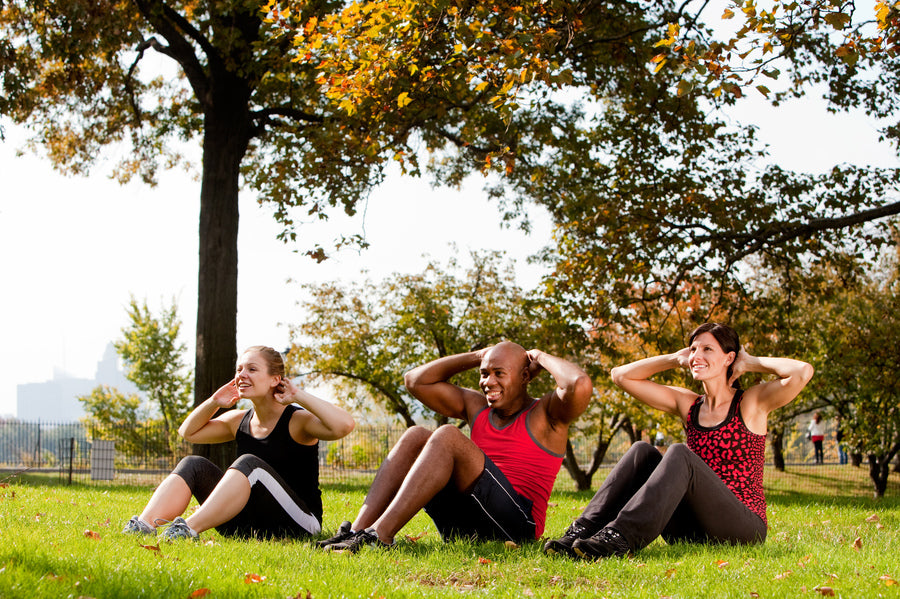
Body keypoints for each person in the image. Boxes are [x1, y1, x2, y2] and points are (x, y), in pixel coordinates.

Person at [543, 323, 814, 560]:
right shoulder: (689, 404)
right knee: (642, 451)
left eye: (708, 349)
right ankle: (578, 533)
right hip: (691, 529)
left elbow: (802, 372)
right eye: (694, 349)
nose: (697, 355)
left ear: (728, 357)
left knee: (679, 453)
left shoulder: (750, 402)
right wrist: (675, 359)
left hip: (742, 527)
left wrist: (749, 362)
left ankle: (619, 538)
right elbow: (621, 376)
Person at [315, 341, 593, 552]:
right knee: (416, 435)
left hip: (517, 527)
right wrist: (476, 356)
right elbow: (415, 380)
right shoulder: (477, 407)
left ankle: (381, 536)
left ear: (524, 377)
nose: (488, 382)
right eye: (484, 374)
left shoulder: (548, 414)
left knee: (448, 435)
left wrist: (539, 358)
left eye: (499, 373)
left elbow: (578, 383)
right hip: (469, 522)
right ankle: (356, 532)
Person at [123, 345, 355, 540]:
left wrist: (299, 396)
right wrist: (214, 402)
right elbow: (188, 432)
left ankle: (187, 529)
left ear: (276, 379)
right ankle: (143, 525)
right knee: (193, 463)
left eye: (252, 369)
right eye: (239, 369)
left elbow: (345, 425)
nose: (242, 374)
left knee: (249, 464)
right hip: (247, 525)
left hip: (300, 524)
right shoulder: (238, 420)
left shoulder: (297, 421)